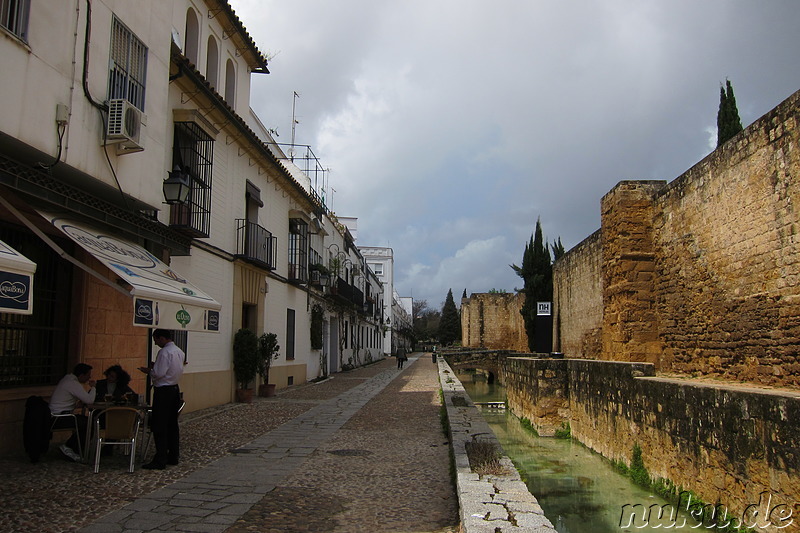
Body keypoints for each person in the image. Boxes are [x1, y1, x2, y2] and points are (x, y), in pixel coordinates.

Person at [139, 329, 184, 470]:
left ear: (162, 338)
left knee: (160, 425)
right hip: (174, 389)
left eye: (156, 340)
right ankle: (173, 455)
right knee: (172, 424)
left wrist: (149, 371)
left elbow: (159, 373)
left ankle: (160, 459)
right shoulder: (179, 351)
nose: (155, 343)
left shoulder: (164, 352)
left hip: (164, 391)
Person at [49, 363, 96, 462]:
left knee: (85, 421)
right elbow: (89, 400)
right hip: (58, 417)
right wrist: (93, 387)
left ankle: (73, 447)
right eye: (88, 375)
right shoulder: (72, 383)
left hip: (58, 415)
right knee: (88, 423)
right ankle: (72, 448)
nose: (89, 377)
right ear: (81, 375)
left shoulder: (67, 380)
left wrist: (75, 405)